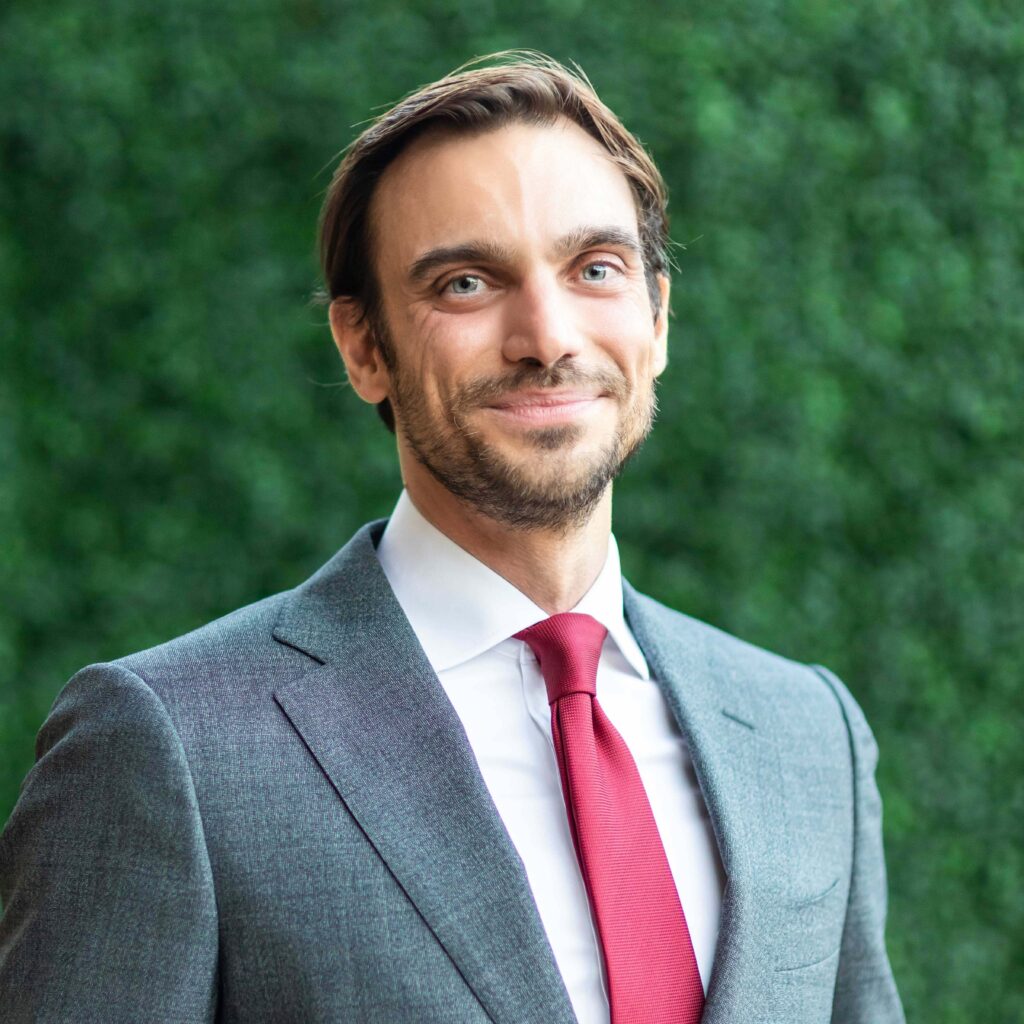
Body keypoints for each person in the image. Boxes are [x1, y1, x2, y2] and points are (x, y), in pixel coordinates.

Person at [0, 52, 904, 1023]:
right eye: (468, 283)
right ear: (363, 347)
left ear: (658, 317)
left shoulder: (808, 734)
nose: (547, 336)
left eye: (595, 268)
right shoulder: (166, 742)